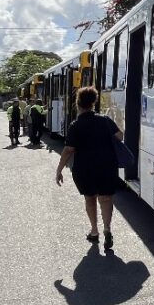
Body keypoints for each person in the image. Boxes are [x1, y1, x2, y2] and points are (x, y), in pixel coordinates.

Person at [55, 86, 122, 250]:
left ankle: (94, 231)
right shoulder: (104, 120)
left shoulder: (75, 125)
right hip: (107, 166)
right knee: (105, 198)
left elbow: (68, 150)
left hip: (84, 168)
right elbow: (120, 136)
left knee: (90, 198)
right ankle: (107, 229)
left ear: (78, 103)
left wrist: (59, 170)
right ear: (94, 103)